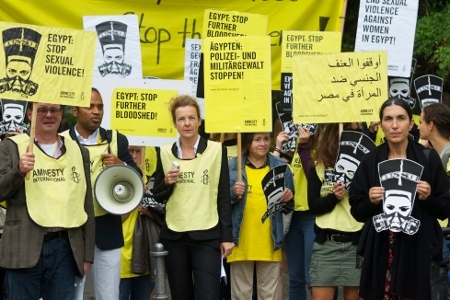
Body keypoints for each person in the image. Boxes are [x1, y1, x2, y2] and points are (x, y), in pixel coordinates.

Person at [349, 98, 450, 299]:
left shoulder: (428, 159)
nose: (394, 125)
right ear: (381, 124)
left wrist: (428, 198)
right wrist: (370, 201)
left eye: (401, 118)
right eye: (388, 119)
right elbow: (357, 211)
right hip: (379, 251)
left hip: (417, 253)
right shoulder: (370, 161)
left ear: (411, 124)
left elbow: (445, 208)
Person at [0, 102, 95, 299]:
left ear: (61, 114)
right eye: (41, 110)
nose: (48, 115)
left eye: (54, 110)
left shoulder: (79, 151)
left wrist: (87, 255)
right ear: (29, 115)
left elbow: (86, 203)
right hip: (23, 247)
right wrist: (18, 171)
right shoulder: (10, 147)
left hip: (65, 249)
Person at [152, 94, 234, 300]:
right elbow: (158, 197)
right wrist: (167, 183)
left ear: (199, 121)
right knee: (181, 296)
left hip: (207, 235)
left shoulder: (216, 150)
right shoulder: (164, 153)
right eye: (181, 119)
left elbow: (223, 195)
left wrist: (227, 237)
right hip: (174, 236)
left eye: (191, 118)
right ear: (174, 123)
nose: (187, 123)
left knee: (209, 295)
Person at [63, 87, 141, 300]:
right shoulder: (61, 141)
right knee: (70, 294)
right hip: (71, 231)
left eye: (100, 106)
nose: (96, 111)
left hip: (107, 229)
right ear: (75, 110)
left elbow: (137, 177)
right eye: (90, 106)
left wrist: (121, 164)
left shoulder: (116, 139)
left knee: (109, 296)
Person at [228, 132, 294, 300]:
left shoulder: (281, 166)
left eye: (266, 139)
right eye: (257, 139)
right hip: (240, 242)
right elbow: (220, 202)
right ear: (248, 142)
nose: (263, 143)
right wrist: (232, 193)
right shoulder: (232, 166)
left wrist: (288, 198)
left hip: (269, 241)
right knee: (241, 295)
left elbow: (288, 207)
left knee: (268, 296)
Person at [307, 122, 363, 300]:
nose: (355, 135)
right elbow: (314, 205)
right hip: (326, 245)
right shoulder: (319, 167)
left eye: (357, 131)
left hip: (357, 244)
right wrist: (333, 197)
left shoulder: (365, 168)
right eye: (350, 130)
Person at [274, 126, 316, 300]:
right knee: (295, 278)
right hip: (293, 215)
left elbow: (314, 177)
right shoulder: (291, 147)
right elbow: (272, 172)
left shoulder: (320, 147)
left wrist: (305, 146)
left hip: (313, 215)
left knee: (312, 277)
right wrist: (278, 146)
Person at [120, 145, 162, 300]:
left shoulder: (155, 183)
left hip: (147, 256)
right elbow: (110, 224)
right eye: (130, 151)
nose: (134, 156)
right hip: (120, 259)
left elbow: (167, 220)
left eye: (138, 151)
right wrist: (135, 195)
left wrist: (150, 210)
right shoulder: (112, 180)